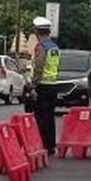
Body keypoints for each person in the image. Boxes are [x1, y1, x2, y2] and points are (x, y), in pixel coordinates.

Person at [24, 16, 61, 151]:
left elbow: (39, 67)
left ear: (37, 31)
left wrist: (33, 85)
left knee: (41, 117)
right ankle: (51, 144)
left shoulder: (41, 47)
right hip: (53, 85)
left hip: (43, 86)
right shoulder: (55, 47)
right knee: (50, 116)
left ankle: (44, 145)